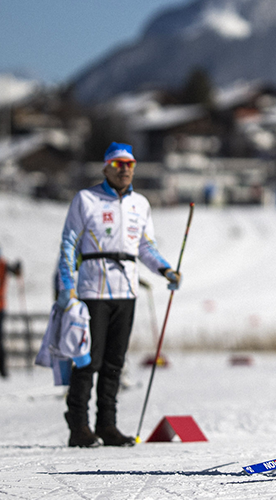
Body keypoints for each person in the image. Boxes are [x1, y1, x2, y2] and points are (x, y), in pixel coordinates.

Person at [56, 143, 181, 447]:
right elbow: (69, 243)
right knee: (89, 360)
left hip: (126, 290)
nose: (124, 169)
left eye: (129, 164)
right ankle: (79, 426)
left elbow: (145, 247)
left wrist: (165, 270)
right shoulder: (86, 199)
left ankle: (107, 425)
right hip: (92, 289)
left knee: (115, 362)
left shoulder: (141, 204)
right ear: (106, 168)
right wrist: (66, 286)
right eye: (118, 164)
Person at [0, 247, 23, 379]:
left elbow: (16, 272)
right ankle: (3, 369)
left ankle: (3, 369)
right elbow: (17, 273)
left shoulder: (3, 265)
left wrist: (18, 269)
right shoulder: (4, 264)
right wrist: (18, 268)